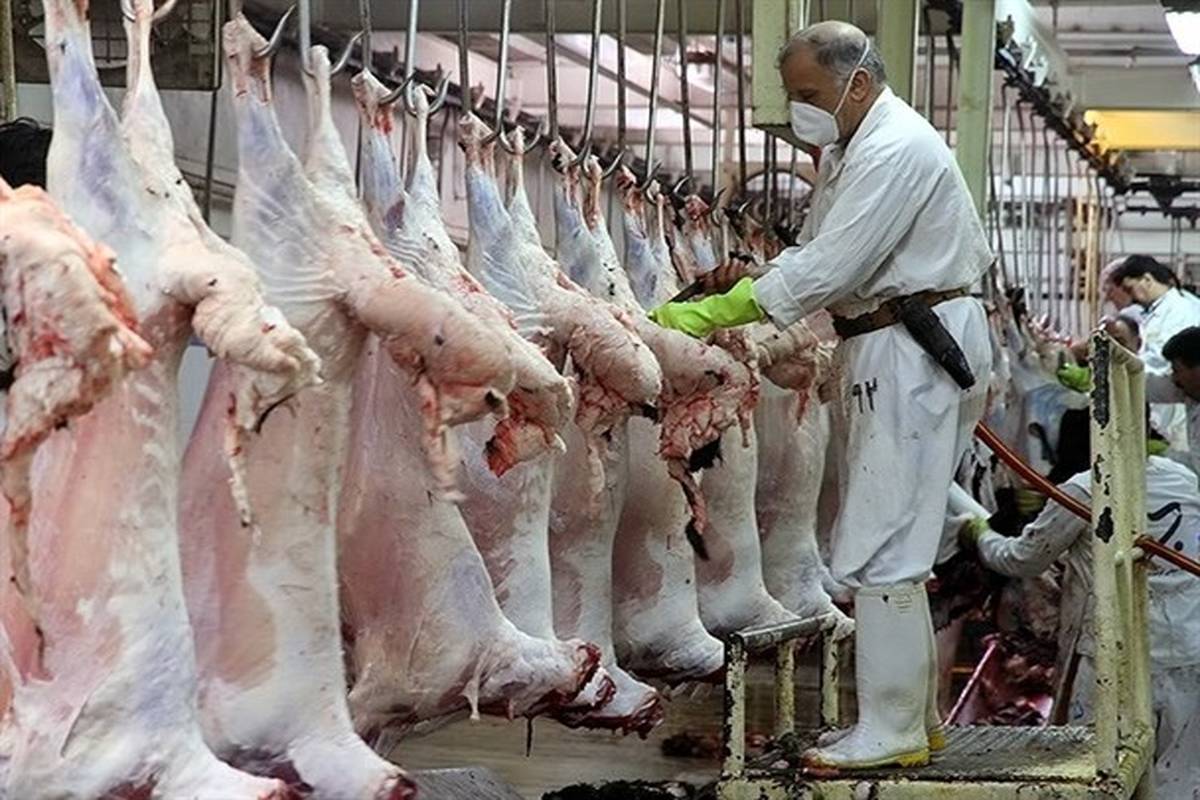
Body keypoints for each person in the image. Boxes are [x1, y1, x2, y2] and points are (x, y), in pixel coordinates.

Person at [650, 21, 993, 770]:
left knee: (882, 539)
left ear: (858, 82)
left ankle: (892, 729)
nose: (799, 109)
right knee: (888, 534)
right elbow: (816, 255)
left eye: (808, 93)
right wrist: (751, 279)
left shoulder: (895, 147)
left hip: (914, 342)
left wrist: (713, 313)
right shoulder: (849, 152)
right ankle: (915, 719)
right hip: (888, 339)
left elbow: (831, 267)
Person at [959, 438, 1200, 800]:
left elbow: (1022, 559)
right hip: (1187, 648)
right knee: (1181, 778)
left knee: (1098, 775)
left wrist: (980, 536)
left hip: (1114, 658)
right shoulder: (1180, 477)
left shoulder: (1085, 489)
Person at [1110, 255, 1200, 452]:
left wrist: (1120, 374)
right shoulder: (1159, 310)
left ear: (1147, 280)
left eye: (1130, 289)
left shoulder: (1179, 310)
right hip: (1165, 401)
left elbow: (1162, 363)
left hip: (1175, 410)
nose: (1130, 297)